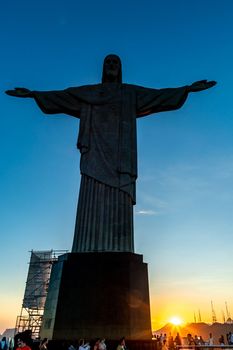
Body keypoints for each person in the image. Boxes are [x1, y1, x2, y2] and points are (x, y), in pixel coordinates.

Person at [6, 55, 216, 253]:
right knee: (91, 198)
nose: (112, 65)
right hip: (94, 156)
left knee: (119, 201)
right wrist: (34, 94)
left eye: (116, 62)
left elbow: (158, 96)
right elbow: (61, 97)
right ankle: (86, 247)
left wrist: (187, 89)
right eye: (108, 62)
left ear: (121, 68)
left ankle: (117, 248)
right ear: (103, 68)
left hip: (120, 160)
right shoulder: (87, 93)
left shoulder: (130, 93)